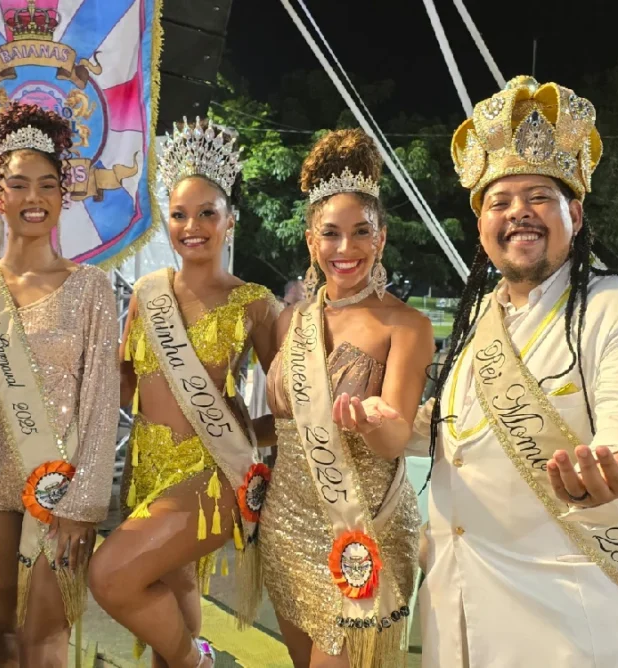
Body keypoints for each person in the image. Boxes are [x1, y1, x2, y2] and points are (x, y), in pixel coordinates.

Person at [411, 76, 618, 667]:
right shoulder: (479, 321)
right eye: (499, 201)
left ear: (576, 211)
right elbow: (462, 429)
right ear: (482, 224)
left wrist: (617, 476)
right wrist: (400, 426)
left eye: (539, 196)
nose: (519, 213)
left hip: (566, 625)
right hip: (454, 611)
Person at [89, 117, 280, 668]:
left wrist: (249, 438)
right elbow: (126, 380)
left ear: (229, 221)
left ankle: (199, 664)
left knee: (113, 575)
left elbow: (289, 409)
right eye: (179, 214)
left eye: (206, 213)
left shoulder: (255, 302)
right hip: (147, 467)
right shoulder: (146, 293)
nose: (191, 226)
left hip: (214, 473)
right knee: (172, 593)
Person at [0, 103, 119, 667]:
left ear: (62, 197)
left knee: (43, 640)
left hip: (62, 486)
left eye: (47, 185)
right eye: (19, 184)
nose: (34, 198)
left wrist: (85, 502)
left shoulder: (91, 287)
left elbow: (102, 405)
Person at [260, 129, 431, 668]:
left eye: (361, 232)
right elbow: (284, 423)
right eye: (330, 234)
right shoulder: (291, 321)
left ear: (380, 238)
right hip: (285, 525)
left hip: (363, 526)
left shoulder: (407, 324)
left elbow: (396, 436)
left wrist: (370, 422)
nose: (345, 249)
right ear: (312, 241)